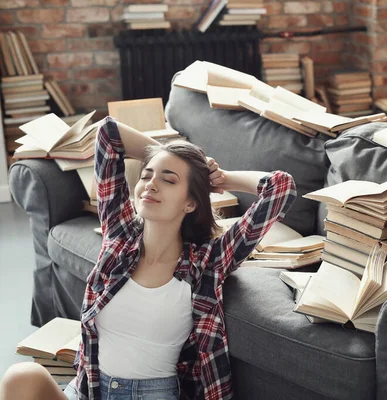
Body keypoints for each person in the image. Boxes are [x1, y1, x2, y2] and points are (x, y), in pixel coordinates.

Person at [0, 116, 297, 400]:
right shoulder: (119, 237)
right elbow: (108, 133)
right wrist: (165, 153)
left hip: (153, 393)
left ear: (191, 202)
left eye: (168, 180)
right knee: (22, 378)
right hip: (89, 390)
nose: (151, 185)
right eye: (146, 175)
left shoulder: (208, 261)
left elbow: (280, 188)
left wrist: (219, 177)